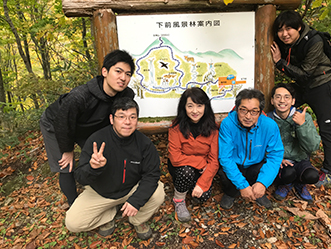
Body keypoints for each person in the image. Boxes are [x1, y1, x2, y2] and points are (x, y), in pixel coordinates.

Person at [39, 50, 135, 206]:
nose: (123, 78)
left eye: (128, 74)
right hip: (56, 123)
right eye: (118, 71)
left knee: (102, 154)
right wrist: (67, 149)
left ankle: (105, 191)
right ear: (105, 71)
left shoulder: (126, 95)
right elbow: (63, 123)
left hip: (87, 124)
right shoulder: (80, 96)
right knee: (66, 165)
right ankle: (73, 203)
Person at [65, 97, 165, 240]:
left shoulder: (144, 144)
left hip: (131, 189)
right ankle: (108, 214)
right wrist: (93, 168)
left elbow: (152, 175)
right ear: (112, 119)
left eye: (132, 117)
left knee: (158, 192)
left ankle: (137, 220)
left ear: (137, 119)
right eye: (121, 117)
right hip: (100, 193)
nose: (127, 122)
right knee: (73, 223)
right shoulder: (97, 140)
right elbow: (80, 177)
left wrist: (136, 201)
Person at [270, 10, 331, 187]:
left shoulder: (314, 41)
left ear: (299, 27)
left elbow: (305, 73)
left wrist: (280, 62)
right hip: (302, 86)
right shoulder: (282, 42)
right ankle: (285, 157)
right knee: (279, 113)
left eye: (289, 29)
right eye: (280, 30)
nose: (284, 34)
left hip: (321, 85)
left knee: (327, 127)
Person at [218, 88, 284, 210]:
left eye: (254, 111)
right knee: (225, 172)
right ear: (237, 108)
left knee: (261, 170)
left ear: (260, 112)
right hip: (235, 164)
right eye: (243, 110)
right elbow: (225, 157)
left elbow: (275, 156)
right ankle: (231, 193)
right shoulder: (227, 124)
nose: (248, 116)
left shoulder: (269, 125)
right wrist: (242, 186)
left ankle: (258, 191)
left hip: (255, 164)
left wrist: (263, 183)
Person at [168, 87, 219, 222]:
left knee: (202, 197)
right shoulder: (176, 128)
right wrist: (201, 163)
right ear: (184, 107)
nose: (195, 111)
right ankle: (178, 199)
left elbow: (214, 161)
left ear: (205, 107)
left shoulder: (213, 130)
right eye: (190, 106)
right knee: (186, 172)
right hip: (181, 168)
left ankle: (192, 186)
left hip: (203, 171)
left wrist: (202, 184)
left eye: (199, 106)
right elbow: (175, 158)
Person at [267, 83, 320, 203]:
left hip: (301, 159)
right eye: (278, 97)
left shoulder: (303, 117)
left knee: (312, 176)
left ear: (293, 101)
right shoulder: (268, 119)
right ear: (272, 100)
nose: (282, 101)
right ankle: (286, 184)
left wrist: (302, 125)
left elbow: (313, 146)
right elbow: (261, 145)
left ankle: (300, 185)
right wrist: (275, 158)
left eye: (287, 97)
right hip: (281, 161)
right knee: (288, 173)